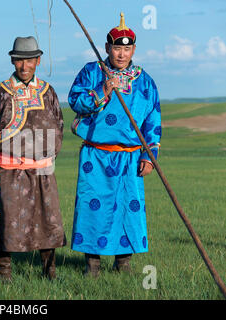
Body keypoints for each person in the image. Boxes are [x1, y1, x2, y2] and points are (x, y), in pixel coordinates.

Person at [68, 13, 161, 277]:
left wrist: (149, 155)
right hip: (96, 155)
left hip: (131, 157)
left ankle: (124, 264)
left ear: (133, 49)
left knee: (128, 208)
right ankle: (92, 264)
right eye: (116, 48)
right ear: (107, 47)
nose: (121, 54)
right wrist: (102, 90)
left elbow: (153, 120)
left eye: (126, 48)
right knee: (92, 205)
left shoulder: (145, 81)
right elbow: (75, 101)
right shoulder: (91, 71)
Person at [0, 36, 66, 281]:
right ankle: (4, 272)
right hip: (9, 169)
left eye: (29, 61)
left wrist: (49, 154)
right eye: (19, 61)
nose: (24, 66)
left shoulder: (48, 92)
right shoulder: (2, 92)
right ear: (13, 61)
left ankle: (50, 271)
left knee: (47, 219)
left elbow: (58, 124)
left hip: (42, 169)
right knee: (7, 219)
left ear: (38, 60)